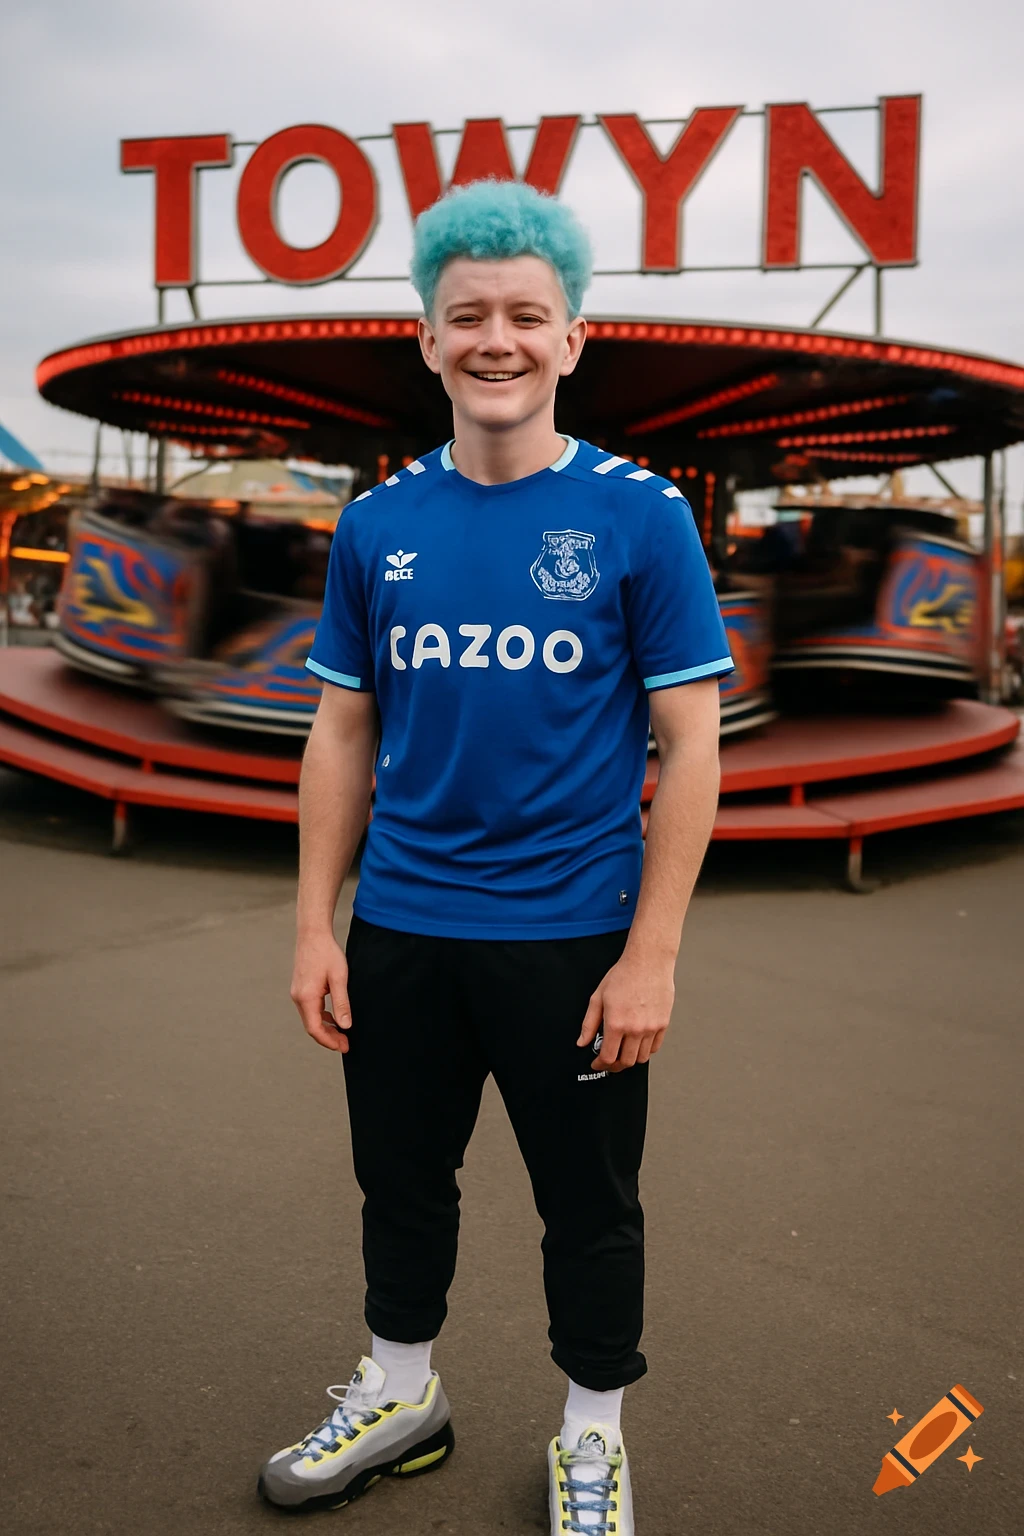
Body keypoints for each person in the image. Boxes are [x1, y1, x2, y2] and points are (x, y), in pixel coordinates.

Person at [258, 179, 732, 1533]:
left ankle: (592, 1437)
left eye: (529, 314)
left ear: (575, 337)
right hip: (405, 928)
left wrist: (652, 955)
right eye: (469, 315)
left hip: (576, 937)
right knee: (400, 1184)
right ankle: (404, 1393)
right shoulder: (377, 525)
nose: (499, 338)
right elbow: (342, 732)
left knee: (589, 1206)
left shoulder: (641, 519)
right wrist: (313, 925)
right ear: (427, 337)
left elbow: (691, 747)